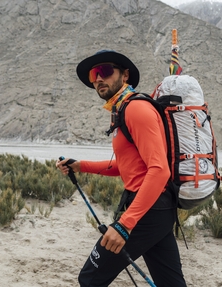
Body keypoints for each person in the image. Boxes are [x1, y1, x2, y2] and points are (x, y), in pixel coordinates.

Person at [56, 50, 187, 287]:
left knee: (90, 279)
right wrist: (80, 165)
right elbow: (126, 166)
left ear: (125, 75)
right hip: (156, 210)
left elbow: (159, 170)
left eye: (104, 71)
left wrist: (124, 225)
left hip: (148, 211)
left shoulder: (136, 109)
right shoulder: (122, 109)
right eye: (93, 75)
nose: (97, 79)